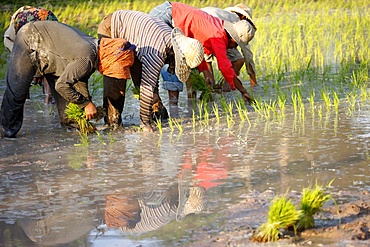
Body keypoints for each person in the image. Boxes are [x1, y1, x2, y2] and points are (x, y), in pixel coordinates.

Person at [0, 21, 134, 138]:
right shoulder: (87, 58)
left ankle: (75, 132)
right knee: (17, 92)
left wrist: (86, 106)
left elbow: (80, 81)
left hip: (54, 56)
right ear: (109, 61)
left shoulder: (96, 50)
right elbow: (62, 86)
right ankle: (5, 133)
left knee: (69, 114)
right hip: (30, 39)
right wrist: (86, 104)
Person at [97, 10, 204, 132]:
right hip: (112, 28)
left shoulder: (172, 42)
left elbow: (152, 76)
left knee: (141, 74)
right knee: (117, 76)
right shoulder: (157, 52)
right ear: (174, 54)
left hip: (136, 36)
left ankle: (158, 114)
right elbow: (147, 87)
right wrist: (145, 123)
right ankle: (112, 123)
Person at [149, 1, 256, 104]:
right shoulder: (218, 36)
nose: (235, 47)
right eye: (237, 44)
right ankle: (169, 108)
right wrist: (243, 91)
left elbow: (198, 47)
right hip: (166, 16)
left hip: (168, 12)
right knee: (170, 61)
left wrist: (206, 71)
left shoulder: (219, 26)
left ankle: (179, 105)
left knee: (185, 63)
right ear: (233, 39)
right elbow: (225, 68)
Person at [4, 6, 59, 104]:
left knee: (22, 70)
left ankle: (26, 100)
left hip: (28, 21)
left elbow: (17, 51)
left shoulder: (15, 26)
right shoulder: (19, 22)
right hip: (48, 17)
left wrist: (31, 69)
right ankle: (48, 99)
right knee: (49, 64)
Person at [201, 4, 258, 91]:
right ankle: (226, 88)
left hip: (200, 26)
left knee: (207, 63)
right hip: (212, 32)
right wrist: (254, 83)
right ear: (243, 16)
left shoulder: (224, 14)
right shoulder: (238, 23)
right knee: (238, 60)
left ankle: (211, 90)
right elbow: (247, 54)